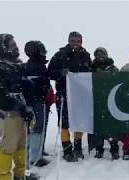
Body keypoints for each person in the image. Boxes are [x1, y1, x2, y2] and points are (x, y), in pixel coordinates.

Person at [0, 33, 37, 180]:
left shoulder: (17, 65)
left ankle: (20, 175)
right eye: (12, 45)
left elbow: (24, 87)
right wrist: (20, 107)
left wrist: (30, 104)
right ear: (3, 48)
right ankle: (3, 177)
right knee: (8, 146)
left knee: (21, 145)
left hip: (23, 111)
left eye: (15, 44)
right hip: (8, 114)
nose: (16, 47)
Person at [48, 31, 92, 162]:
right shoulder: (60, 55)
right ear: (69, 41)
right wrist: (61, 73)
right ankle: (67, 149)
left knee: (79, 120)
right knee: (64, 122)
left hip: (80, 94)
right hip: (63, 93)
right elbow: (50, 72)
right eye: (73, 41)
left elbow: (91, 73)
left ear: (81, 42)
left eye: (78, 41)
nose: (75, 44)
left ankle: (78, 147)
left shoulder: (86, 56)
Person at [23, 40, 52, 167]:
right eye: (41, 50)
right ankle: (36, 157)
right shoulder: (38, 67)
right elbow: (39, 85)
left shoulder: (26, 66)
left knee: (31, 128)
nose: (43, 53)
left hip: (30, 102)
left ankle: (33, 154)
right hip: (38, 101)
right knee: (38, 128)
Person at [89, 47, 120, 160]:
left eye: (102, 54)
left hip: (110, 100)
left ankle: (114, 149)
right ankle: (99, 149)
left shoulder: (113, 68)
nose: (100, 57)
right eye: (98, 55)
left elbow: (119, 80)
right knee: (98, 127)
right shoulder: (91, 68)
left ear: (106, 55)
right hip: (96, 100)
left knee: (111, 127)